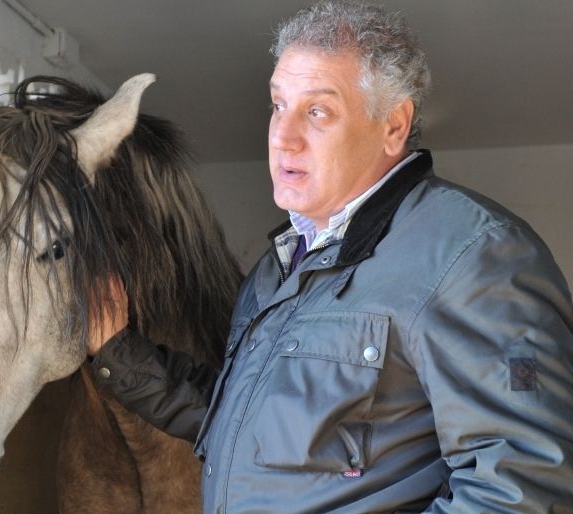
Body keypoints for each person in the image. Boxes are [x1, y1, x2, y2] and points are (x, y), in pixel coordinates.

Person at [87, 1, 573, 512]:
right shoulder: (279, 265)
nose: (283, 137)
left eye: (317, 111)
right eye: (279, 106)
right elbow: (238, 420)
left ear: (394, 126)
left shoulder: (473, 254)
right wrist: (118, 353)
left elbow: (523, 489)